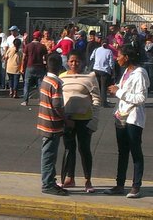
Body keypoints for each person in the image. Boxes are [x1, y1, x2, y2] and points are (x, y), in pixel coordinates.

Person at [105, 44, 148, 199]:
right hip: (121, 115)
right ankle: (120, 184)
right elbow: (124, 90)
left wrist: (119, 92)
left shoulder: (140, 73)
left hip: (133, 118)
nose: (117, 59)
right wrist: (116, 88)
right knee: (122, 151)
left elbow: (141, 98)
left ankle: (136, 186)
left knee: (135, 151)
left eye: (119, 56)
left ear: (127, 57)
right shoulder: (126, 72)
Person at [59, 49, 101, 194]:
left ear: (82, 62)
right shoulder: (62, 77)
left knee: (84, 150)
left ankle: (88, 180)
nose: (74, 64)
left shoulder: (90, 77)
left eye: (77, 61)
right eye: (71, 61)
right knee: (69, 149)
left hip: (84, 120)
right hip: (67, 120)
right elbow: (58, 98)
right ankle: (68, 178)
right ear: (67, 62)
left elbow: (96, 99)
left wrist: (94, 121)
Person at [37, 52, 70, 196]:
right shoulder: (56, 83)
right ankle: (48, 183)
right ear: (60, 66)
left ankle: (50, 180)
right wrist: (66, 118)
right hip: (52, 124)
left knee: (48, 154)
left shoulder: (45, 80)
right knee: (49, 155)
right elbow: (57, 104)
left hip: (44, 121)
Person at [21, 31, 48, 106]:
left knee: (27, 84)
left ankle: (25, 101)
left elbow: (23, 58)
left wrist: (22, 67)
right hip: (40, 67)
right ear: (39, 37)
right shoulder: (42, 46)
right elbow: (46, 57)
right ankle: (41, 101)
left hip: (30, 67)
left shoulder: (28, 46)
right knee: (40, 85)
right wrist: (46, 67)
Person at [91, 34, 114, 107]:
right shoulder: (109, 51)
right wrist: (112, 70)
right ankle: (104, 103)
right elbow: (111, 63)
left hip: (96, 69)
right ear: (107, 44)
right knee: (104, 87)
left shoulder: (96, 49)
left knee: (97, 87)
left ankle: (96, 102)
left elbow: (91, 58)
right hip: (104, 71)